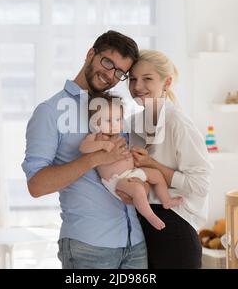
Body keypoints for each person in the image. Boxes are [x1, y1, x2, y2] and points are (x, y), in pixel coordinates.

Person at [22, 31, 148, 269]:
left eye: (120, 72)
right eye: (108, 62)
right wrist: (92, 159)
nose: (111, 75)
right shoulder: (50, 112)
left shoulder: (117, 110)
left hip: (135, 243)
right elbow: (36, 186)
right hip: (89, 247)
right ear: (91, 54)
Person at [123, 49, 213, 269]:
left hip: (176, 226)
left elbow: (200, 185)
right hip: (142, 225)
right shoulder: (131, 124)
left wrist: (153, 165)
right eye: (133, 79)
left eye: (147, 79)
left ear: (167, 82)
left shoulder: (178, 124)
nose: (137, 86)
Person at [79, 93, 183, 230]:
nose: (114, 125)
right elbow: (83, 148)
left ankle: (166, 200)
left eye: (118, 119)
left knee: (156, 175)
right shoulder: (96, 138)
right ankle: (150, 216)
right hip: (116, 181)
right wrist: (101, 145)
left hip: (132, 173)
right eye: (108, 121)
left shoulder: (121, 135)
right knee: (137, 189)